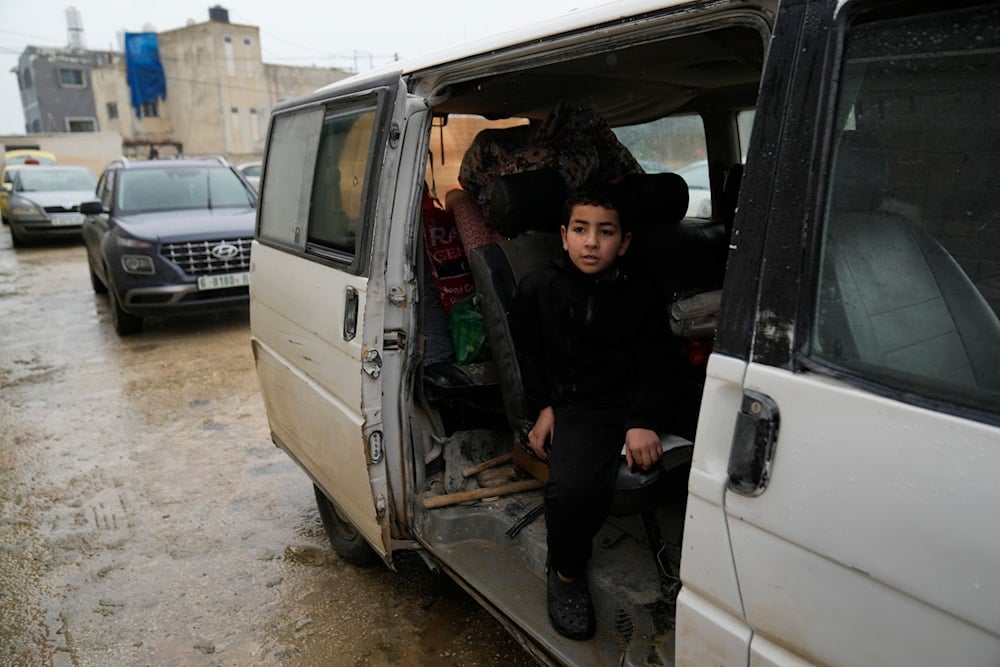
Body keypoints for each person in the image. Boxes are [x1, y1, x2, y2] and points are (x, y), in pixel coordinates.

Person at [508, 183, 685, 640]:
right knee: (567, 491)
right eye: (581, 230)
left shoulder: (643, 294)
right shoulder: (538, 289)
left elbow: (659, 363)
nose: (592, 242)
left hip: (629, 400)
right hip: (578, 406)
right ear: (563, 235)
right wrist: (544, 408)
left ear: (624, 242)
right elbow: (528, 357)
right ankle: (566, 574)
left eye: (605, 232)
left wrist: (643, 420)